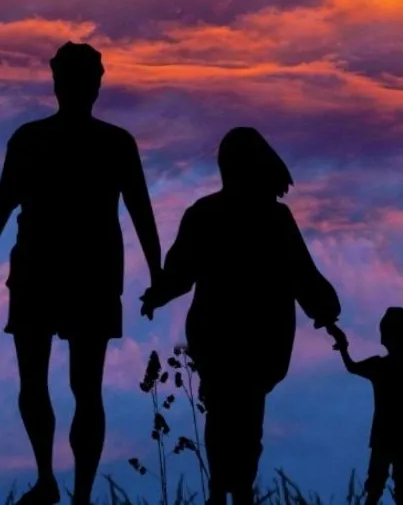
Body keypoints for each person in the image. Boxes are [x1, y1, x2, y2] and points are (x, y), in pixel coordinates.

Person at [140, 126, 341, 505]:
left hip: (218, 335)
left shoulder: (206, 214)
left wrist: (158, 293)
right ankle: (238, 491)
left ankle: (222, 490)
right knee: (247, 417)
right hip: (261, 337)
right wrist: (327, 312)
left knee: (223, 413)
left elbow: (180, 273)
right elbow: (303, 275)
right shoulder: (273, 218)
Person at [0, 42, 162, 505]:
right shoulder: (38, 140)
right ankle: (60, 485)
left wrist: (158, 274)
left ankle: (70, 489)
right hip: (53, 273)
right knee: (64, 384)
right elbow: (4, 202)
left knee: (72, 385)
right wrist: (157, 275)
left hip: (69, 274)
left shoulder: (93, 142)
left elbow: (141, 213)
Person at [328, 309, 403, 505]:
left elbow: (351, 366)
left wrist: (343, 348)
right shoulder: (381, 366)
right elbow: (352, 367)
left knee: (375, 487)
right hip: (391, 436)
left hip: (383, 435)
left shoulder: (379, 366)